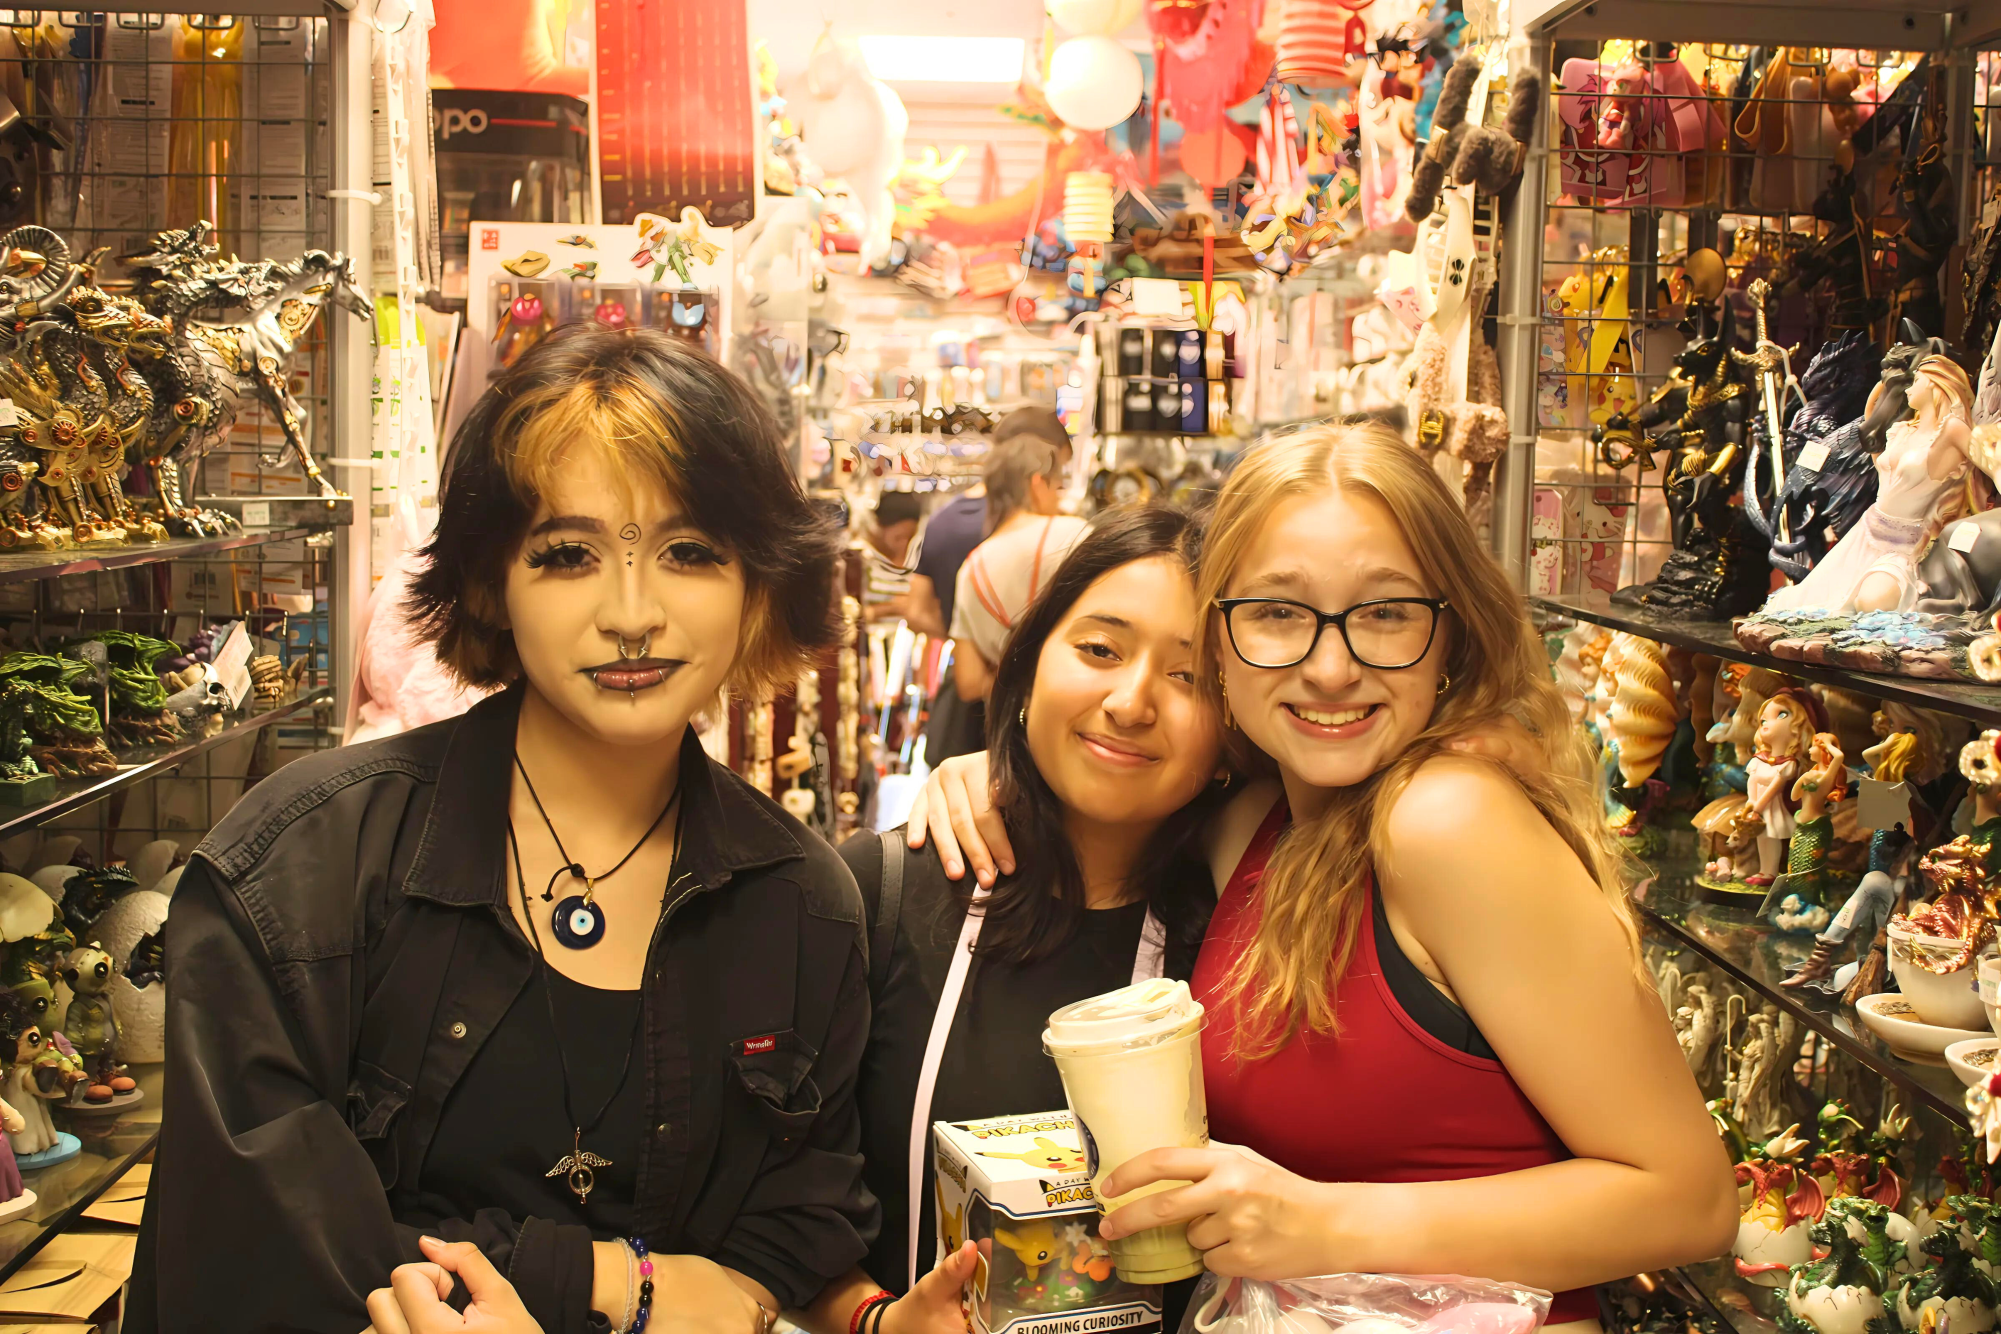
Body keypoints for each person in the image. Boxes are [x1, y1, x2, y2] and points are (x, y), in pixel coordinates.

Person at [131, 327, 877, 1334]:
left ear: (756, 586)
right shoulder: (305, 868)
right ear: (491, 582)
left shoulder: (804, 904)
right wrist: (623, 1281)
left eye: (689, 551)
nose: (631, 613)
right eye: (567, 554)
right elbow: (247, 1252)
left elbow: (797, 1229)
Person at [911, 425, 1737, 1327]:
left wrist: (1320, 1219)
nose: (1332, 667)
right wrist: (991, 780)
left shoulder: (1444, 821)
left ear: (1449, 633)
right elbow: (1129, 778)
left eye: (1385, 613)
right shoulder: (1256, 822)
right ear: (1220, 642)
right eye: (1277, 613)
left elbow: (1689, 1202)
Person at [357, 505, 1229, 1334]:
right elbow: (780, 1219)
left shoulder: (1253, 929)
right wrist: (878, 1318)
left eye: (1189, 675)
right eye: (1099, 648)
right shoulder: (879, 895)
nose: (1131, 700)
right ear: (1029, 660)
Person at [948, 431, 1090, 705]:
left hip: (1011, 721)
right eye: (1056, 487)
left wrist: (1020, 684)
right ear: (1037, 484)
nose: (1059, 500)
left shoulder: (971, 568)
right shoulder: (1075, 535)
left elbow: (968, 682)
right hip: (1079, 705)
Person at [861, 491, 924, 625]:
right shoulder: (863, 560)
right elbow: (850, 614)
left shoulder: (917, 557)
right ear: (880, 528)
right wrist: (891, 608)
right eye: (898, 538)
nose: (904, 544)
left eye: (910, 537)